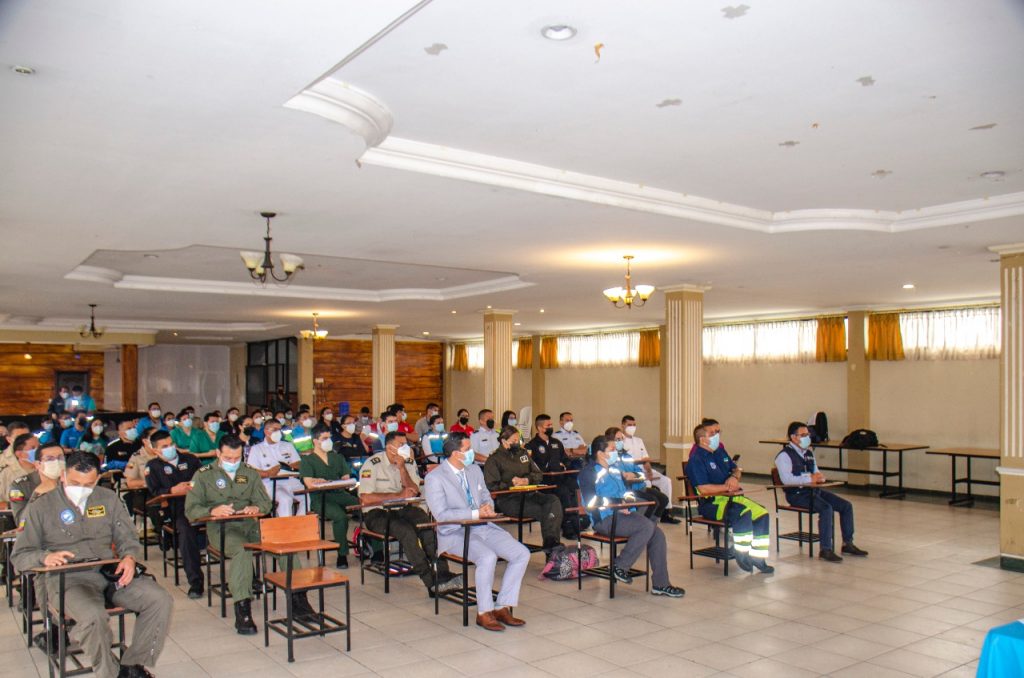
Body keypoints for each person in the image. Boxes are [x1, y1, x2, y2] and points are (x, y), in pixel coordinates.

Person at [12, 451, 173, 678]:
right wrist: (44, 557)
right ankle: (110, 673)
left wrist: (128, 557)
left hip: (109, 573)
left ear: (97, 479)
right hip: (68, 579)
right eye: (75, 483)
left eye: (88, 484)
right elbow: (20, 556)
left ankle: (132, 664)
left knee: (160, 599)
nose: (81, 489)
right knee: (93, 617)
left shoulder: (108, 499)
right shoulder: (41, 507)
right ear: (63, 476)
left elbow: (127, 538)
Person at [185, 435, 317, 634]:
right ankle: (242, 608)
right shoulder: (203, 475)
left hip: (249, 524)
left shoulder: (248, 472)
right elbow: (191, 509)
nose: (232, 462)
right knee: (242, 550)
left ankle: (299, 599)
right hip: (222, 528)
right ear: (218, 453)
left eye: (237, 458)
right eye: (228, 458)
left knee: (283, 543)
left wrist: (256, 507)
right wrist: (212, 510)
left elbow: (265, 502)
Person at [424, 432, 530, 631]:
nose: (472, 453)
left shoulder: (474, 470)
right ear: (456, 454)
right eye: (468, 449)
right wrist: (475, 513)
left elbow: (485, 495)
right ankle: (484, 612)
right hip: (454, 532)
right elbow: (442, 515)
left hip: (483, 526)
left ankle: (502, 606)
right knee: (487, 557)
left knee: (521, 553)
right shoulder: (435, 478)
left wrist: (487, 507)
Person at [358, 431, 460, 594]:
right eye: (401, 445)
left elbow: (414, 490)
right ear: (389, 448)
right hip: (377, 512)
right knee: (406, 531)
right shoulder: (373, 464)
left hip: (403, 508)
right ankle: (430, 581)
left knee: (426, 525)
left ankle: (443, 574)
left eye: (406, 444)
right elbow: (366, 498)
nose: (406, 448)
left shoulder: (409, 463)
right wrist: (398, 496)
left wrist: (402, 469)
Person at [583, 435, 685, 597]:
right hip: (604, 519)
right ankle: (619, 565)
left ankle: (661, 584)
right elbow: (590, 501)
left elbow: (628, 493)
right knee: (646, 526)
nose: (616, 452)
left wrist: (627, 502)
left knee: (658, 534)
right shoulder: (589, 473)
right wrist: (617, 503)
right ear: (601, 453)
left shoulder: (615, 469)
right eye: (612, 449)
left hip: (622, 515)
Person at [686, 424, 774, 574]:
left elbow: (736, 469)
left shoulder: (719, 452)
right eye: (712, 433)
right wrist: (726, 487)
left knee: (762, 513)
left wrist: (734, 477)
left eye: (717, 432)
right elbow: (703, 489)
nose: (717, 435)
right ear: (702, 440)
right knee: (743, 513)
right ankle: (741, 552)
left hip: (733, 498)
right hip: (713, 503)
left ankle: (758, 557)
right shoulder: (696, 459)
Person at [776, 421, 868, 562]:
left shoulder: (808, 453)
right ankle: (825, 549)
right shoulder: (784, 456)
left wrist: (819, 478)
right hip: (797, 494)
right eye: (803, 435)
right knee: (826, 508)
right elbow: (787, 480)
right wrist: (809, 478)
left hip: (814, 491)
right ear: (793, 437)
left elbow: (816, 472)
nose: (807, 437)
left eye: (808, 434)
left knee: (846, 506)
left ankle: (847, 543)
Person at [483, 426, 564, 554]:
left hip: (530, 494)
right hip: (509, 500)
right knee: (546, 511)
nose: (518, 443)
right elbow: (492, 485)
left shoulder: (523, 454)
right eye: (514, 440)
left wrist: (527, 480)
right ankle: (552, 547)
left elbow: (538, 474)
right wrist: (511, 483)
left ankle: (551, 544)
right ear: (504, 441)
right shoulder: (494, 459)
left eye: (518, 440)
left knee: (553, 500)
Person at [145, 430, 205, 597]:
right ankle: (196, 582)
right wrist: (172, 490)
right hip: (177, 508)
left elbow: (206, 479)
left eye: (171, 444)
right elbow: (154, 492)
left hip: (201, 503)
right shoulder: (152, 466)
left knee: (232, 524)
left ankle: (250, 579)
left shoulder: (190, 459)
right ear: (155, 450)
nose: (170, 448)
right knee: (186, 532)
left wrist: (192, 486)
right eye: (164, 446)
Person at [299, 427, 359, 568]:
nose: (329, 441)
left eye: (329, 438)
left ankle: (376, 550)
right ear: (315, 441)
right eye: (324, 439)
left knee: (366, 507)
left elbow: (346, 476)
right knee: (340, 517)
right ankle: (342, 554)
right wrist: (316, 481)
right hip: (320, 498)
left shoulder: (337, 457)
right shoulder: (307, 460)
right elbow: (309, 483)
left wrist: (345, 479)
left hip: (340, 494)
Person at [525, 413, 585, 539]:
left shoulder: (556, 443)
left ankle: (578, 523)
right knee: (563, 492)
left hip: (560, 478)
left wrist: (565, 465)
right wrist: (550, 467)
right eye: (548, 425)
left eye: (551, 425)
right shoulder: (532, 445)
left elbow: (565, 459)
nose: (551, 427)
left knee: (574, 487)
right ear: (540, 428)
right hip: (545, 481)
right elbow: (532, 467)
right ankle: (567, 528)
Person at [621, 415, 678, 524]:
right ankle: (648, 515)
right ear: (623, 425)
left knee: (666, 481)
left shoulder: (639, 440)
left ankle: (666, 513)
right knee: (647, 483)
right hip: (634, 471)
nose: (632, 427)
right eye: (629, 425)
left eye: (634, 425)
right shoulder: (621, 442)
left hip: (645, 469)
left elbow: (646, 459)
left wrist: (650, 471)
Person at [606, 427, 669, 522]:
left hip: (639, 486)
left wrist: (633, 475)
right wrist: (627, 476)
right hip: (628, 489)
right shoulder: (611, 457)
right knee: (653, 502)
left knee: (663, 499)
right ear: (610, 441)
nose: (621, 441)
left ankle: (652, 524)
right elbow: (621, 477)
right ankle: (643, 524)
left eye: (622, 439)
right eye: (618, 439)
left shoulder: (626, 456)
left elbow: (641, 473)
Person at [246, 420, 307, 518]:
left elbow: (299, 463)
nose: (278, 432)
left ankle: (300, 523)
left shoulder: (287, 445)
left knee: (306, 496)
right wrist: (268, 473)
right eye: (275, 429)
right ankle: (285, 525)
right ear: (266, 431)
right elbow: (252, 471)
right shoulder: (257, 449)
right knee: (286, 500)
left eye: (279, 429)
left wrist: (288, 466)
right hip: (269, 482)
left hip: (290, 480)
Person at [9, 441, 65, 525]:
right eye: (50, 459)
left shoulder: (72, 481)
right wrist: (36, 495)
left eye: (60, 458)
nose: (57, 462)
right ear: (37, 464)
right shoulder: (19, 486)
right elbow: (21, 522)